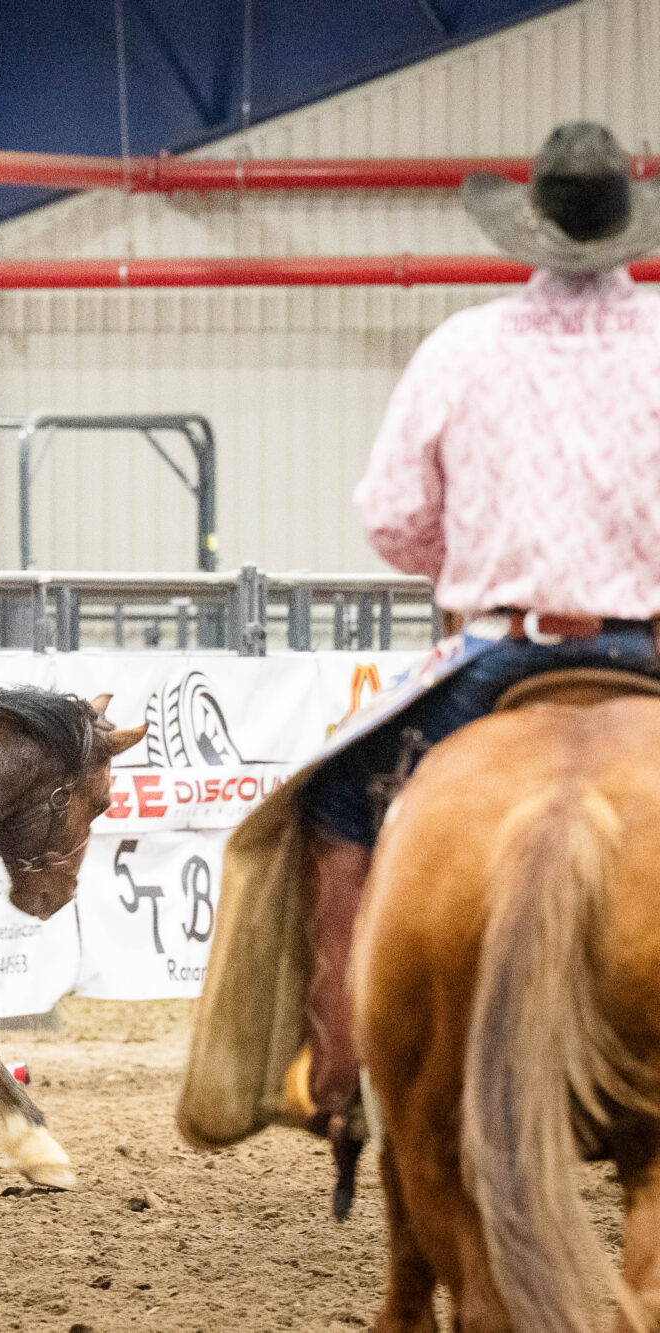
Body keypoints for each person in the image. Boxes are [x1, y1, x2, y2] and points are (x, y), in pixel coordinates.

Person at [242, 122, 660, 1171]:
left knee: (336, 803)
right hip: (646, 650)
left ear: (533, 222)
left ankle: (333, 1067)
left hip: (496, 654)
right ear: (620, 227)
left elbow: (389, 517)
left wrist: (464, 557)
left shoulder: (463, 346)